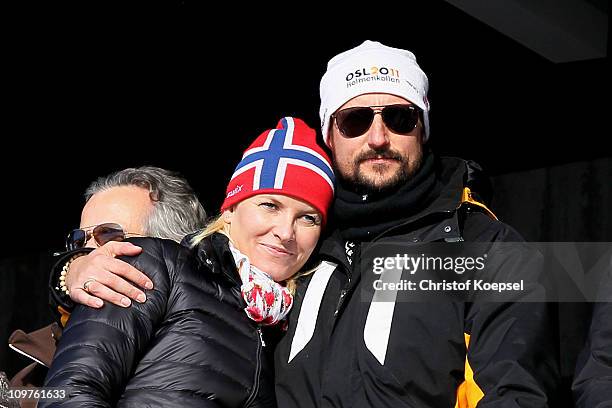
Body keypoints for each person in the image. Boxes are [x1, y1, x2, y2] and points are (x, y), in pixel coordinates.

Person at [49, 41, 560, 407]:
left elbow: (515, 389)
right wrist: (70, 271)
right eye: (356, 120)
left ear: (423, 129)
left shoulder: (483, 248)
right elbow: (71, 371)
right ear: (331, 133)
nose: (378, 136)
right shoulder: (302, 261)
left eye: (400, 118)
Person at [41, 117, 334, 407]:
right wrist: (69, 271)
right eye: (269, 205)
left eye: (308, 217)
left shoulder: (291, 318)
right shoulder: (161, 265)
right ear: (230, 210)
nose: (285, 232)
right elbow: (70, 393)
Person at [8, 166, 207, 408]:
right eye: (79, 240)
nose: (86, 253)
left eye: (109, 235)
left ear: (171, 250)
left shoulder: (207, 349)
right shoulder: (30, 377)